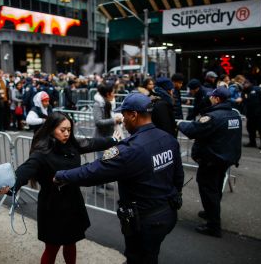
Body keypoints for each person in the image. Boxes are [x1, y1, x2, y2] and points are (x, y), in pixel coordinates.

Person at [54, 93, 184, 264]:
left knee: (140, 257)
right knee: (149, 253)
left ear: (133, 115)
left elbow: (94, 172)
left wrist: (61, 175)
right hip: (167, 212)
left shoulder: (130, 149)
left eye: (124, 116)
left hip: (145, 221)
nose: (123, 120)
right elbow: (178, 176)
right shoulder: (167, 138)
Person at [0, 112, 118, 264]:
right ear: (51, 129)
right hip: (52, 207)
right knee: (52, 248)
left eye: (69, 129)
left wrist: (114, 139)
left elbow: (92, 143)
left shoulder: (72, 145)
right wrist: (10, 186)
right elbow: (25, 170)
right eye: (62, 130)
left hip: (73, 203)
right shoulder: (41, 153)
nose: (67, 133)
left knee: (71, 243)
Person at [178, 87, 242, 238]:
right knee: (216, 186)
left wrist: (180, 123)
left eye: (212, 97)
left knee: (208, 189)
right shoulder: (234, 115)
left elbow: (193, 130)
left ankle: (213, 225)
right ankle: (210, 212)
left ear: (217, 99)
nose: (210, 98)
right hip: (225, 158)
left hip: (212, 160)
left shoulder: (213, 117)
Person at [242, 80, 261, 150]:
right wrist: (245, 112)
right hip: (250, 114)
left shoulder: (257, 89)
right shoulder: (244, 91)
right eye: (243, 84)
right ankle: (252, 142)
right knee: (250, 129)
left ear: (249, 83)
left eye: (245, 84)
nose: (244, 85)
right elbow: (244, 102)